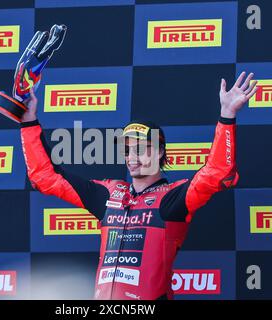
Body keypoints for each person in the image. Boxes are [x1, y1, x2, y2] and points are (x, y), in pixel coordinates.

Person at [20, 71, 258, 300]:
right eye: (127, 150)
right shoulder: (108, 194)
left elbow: (218, 173)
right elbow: (45, 177)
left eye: (141, 149)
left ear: (161, 151)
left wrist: (227, 115)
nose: (132, 157)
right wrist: (28, 121)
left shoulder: (173, 198)